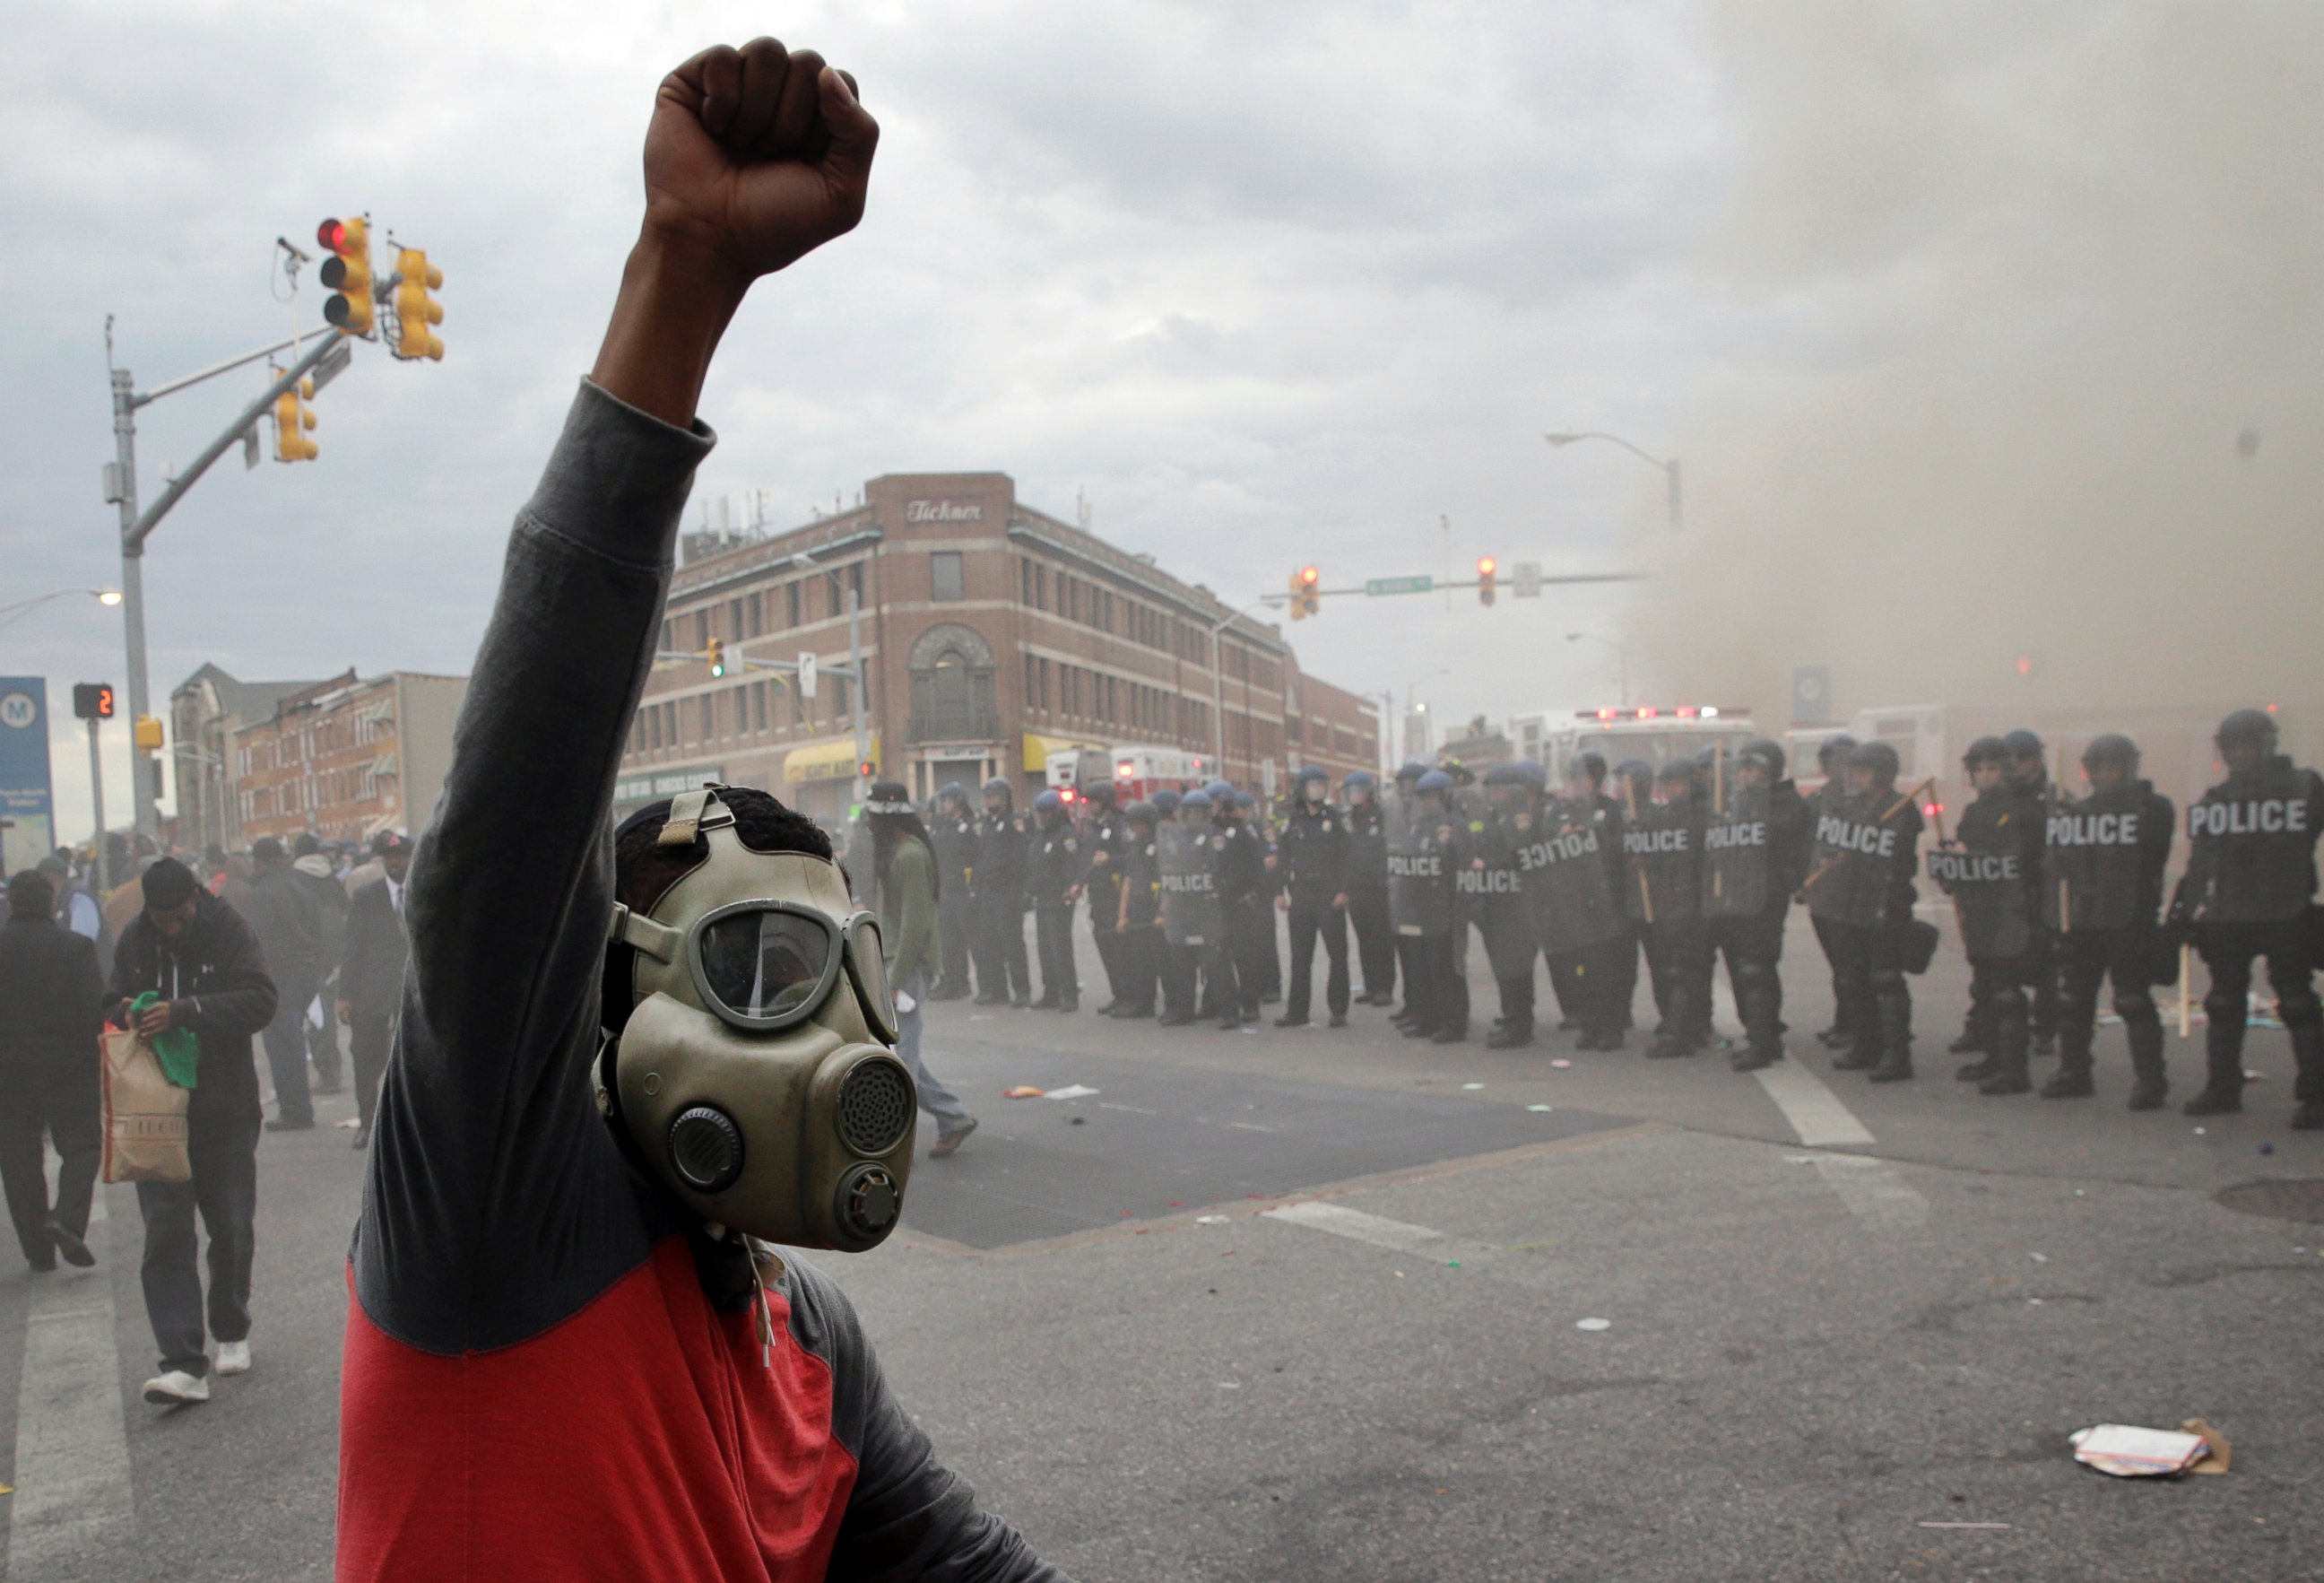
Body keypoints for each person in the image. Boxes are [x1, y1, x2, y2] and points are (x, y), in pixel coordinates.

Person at [335, 45, 1065, 1577]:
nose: (844, 1040)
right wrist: (683, 278)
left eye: (846, 971)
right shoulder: (492, 1217)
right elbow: (509, 823)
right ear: (595, 1026)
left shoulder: (805, 1339)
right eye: (757, 973)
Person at [109, 856, 276, 1405]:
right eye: (161, 920)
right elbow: (109, 998)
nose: (171, 928)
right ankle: (181, 1361)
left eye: (179, 917)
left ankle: (230, 1328)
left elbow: (260, 1001)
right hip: (157, 1112)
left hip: (223, 1108)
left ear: (196, 898)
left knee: (229, 1225)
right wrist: (129, 1011)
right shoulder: (136, 938)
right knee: (164, 1231)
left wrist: (187, 1011)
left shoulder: (230, 930)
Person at [2171, 708, 2324, 1126]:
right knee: (2222, 1003)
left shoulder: (2303, 787)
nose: (2241, 753)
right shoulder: (2218, 800)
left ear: (2268, 745)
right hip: (2231, 914)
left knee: (2296, 1003)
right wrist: (2185, 908)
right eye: (2233, 745)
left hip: (2284, 910)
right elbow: (2201, 863)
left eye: (2249, 744)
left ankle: (2316, 1095)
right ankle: (2222, 1087)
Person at [2044, 733, 2175, 1106]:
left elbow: (2151, 853)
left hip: (2128, 919)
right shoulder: (2078, 813)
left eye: (2115, 767)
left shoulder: (2152, 809)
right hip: (2085, 919)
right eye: (2099, 769)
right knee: (2073, 999)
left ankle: (2151, 1081)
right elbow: (2061, 867)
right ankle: (2073, 1071)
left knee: (2132, 1001)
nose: (2107, 776)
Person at [864, 781, 978, 1157]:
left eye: (872, 815)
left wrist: (896, 981)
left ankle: (894, 1145)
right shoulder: (896, 852)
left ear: (886, 818)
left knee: (901, 1063)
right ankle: (953, 1117)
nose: (867, 821)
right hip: (896, 963)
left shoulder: (910, 856)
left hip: (906, 968)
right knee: (904, 1054)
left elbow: (916, 923)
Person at [0, 869, 104, 1274]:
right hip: (69, 1068)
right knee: (82, 1147)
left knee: (18, 1158)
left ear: (11, 905)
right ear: (50, 904)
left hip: (8, 1074)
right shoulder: (74, 948)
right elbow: (93, 1011)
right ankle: (67, 1220)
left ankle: (38, 1252)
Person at [1807, 740, 1925, 1083]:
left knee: (1885, 980)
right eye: (1853, 772)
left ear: (1882, 774)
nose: (1856, 779)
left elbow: (1899, 859)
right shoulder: (1846, 807)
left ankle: (1896, 1054)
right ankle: (1865, 1045)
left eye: (1863, 772)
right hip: (1849, 903)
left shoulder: (1900, 809)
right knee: (1853, 978)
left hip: (1885, 905)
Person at [1934, 737, 2041, 1096]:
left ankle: (2014, 1070)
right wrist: (1951, 867)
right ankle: (1994, 1058)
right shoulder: (1974, 812)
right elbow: (1969, 854)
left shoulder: (2027, 812)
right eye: (1978, 769)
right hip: (1980, 908)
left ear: (2007, 770)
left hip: (2012, 910)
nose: (1985, 776)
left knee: (2007, 993)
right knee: (1986, 988)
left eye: (1992, 768)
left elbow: (2032, 866)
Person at [1703, 739, 1813, 1072]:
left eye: (1752, 769)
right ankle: (1758, 1032)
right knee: (1741, 967)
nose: (1744, 775)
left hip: (1764, 899)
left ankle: (1762, 1041)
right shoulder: (1737, 803)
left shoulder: (1786, 804)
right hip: (1735, 896)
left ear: (1770, 772)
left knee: (1755, 968)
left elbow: (1790, 848)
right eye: (1742, 769)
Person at [1626, 760, 1711, 1058]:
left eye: (1677, 784)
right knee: (1670, 971)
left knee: (1683, 973)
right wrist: (1644, 857)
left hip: (1693, 907)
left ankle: (1680, 1033)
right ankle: (1682, 1026)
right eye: (1668, 784)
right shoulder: (1661, 818)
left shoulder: (1704, 818)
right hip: (1667, 905)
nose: (1672, 790)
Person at [240, 837, 324, 1131]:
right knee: (293, 1040)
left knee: (282, 1043)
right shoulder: (299, 886)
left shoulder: (261, 894)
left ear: (260, 861)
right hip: (304, 972)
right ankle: (299, 1106)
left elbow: (257, 942)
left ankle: (295, 1110)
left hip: (279, 976)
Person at [337, 832, 412, 1148]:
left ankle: (411, 1127)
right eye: (389, 857)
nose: (395, 862)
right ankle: (367, 1124)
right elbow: (353, 946)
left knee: (413, 1060)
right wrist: (345, 994)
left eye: (401, 856)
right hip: (372, 992)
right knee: (365, 1059)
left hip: (413, 992)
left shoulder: (425, 891)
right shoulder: (367, 896)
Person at [1391, 769, 1466, 1043]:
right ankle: (1427, 1018)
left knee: (1446, 969)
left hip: (1445, 906)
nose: (1425, 803)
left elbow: (1457, 861)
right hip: (1421, 907)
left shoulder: (1454, 824)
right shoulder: (1419, 826)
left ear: (1444, 797)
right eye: (1422, 798)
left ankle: (1453, 1023)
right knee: (1424, 968)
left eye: (1431, 798)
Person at [1468, 765, 1541, 1048]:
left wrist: (1488, 866)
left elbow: (1519, 856)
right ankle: (1514, 1015)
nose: (1492, 795)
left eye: (1497, 789)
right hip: (1496, 900)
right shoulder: (1495, 815)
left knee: (1514, 966)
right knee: (1504, 965)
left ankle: (1519, 1025)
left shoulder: (1518, 818)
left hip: (1514, 903)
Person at [1274, 766, 1351, 1028]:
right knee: (1300, 957)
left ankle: (1338, 1009)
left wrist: (1344, 890)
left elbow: (1348, 857)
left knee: (1337, 954)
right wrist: (1279, 892)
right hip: (1302, 895)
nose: (1319, 790)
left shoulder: (1336, 819)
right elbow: (1282, 857)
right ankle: (1297, 1012)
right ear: (1303, 789)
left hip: (1329, 894)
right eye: (1314, 785)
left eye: (1322, 785)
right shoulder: (1292, 821)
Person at [2002, 728, 2061, 1055]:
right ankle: (1993, 1027)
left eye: (2023, 759)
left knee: (2045, 967)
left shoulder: (2052, 800)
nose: (2016, 767)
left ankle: (2044, 1029)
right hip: (2007, 894)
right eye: (2010, 760)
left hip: (2041, 892)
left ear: (2037, 760)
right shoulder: (1998, 800)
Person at [1805, 734, 1860, 1049]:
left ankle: (1852, 1024)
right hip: (1822, 892)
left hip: (1851, 893)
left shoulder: (1861, 802)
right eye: (1832, 763)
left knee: (1849, 966)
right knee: (1839, 965)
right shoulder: (1816, 802)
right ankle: (1845, 1022)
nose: (1837, 769)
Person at [1156, 788, 1222, 1026]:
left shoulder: (1215, 836)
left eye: (1200, 813)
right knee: (1181, 963)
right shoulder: (1175, 837)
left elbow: (1217, 869)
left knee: (1213, 963)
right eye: (1190, 812)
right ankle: (1183, 1010)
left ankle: (1213, 1005)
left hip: (1205, 906)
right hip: (1181, 906)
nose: (1195, 817)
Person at [970, 777, 1032, 1006]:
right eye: (986, 796)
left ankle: (1022, 991)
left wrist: (1018, 891)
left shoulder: (1013, 822)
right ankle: (998, 990)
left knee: (1012, 943)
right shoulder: (987, 823)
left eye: (993, 796)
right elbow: (980, 858)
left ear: (1005, 798)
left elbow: (1020, 859)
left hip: (1007, 890)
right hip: (987, 890)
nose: (988, 801)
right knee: (989, 941)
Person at [1212, 788, 1267, 1028]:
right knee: (1219, 957)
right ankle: (1228, 1009)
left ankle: (1251, 1005)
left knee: (1244, 956)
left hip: (1240, 901)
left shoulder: (1244, 832)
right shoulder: (1211, 830)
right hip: (1217, 902)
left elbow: (1256, 866)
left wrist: (1253, 893)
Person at [1340, 770, 1395, 1005]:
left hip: (1377, 887)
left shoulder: (1380, 816)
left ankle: (1384, 987)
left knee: (1382, 937)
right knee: (1364, 938)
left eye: (1358, 791)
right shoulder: (1348, 819)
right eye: (1350, 792)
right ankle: (1371, 985)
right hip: (1356, 888)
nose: (1354, 796)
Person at [1075, 779, 1130, 1013]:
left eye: (1094, 801)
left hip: (1116, 895)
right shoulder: (1093, 828)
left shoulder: (1120, 824)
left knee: (1121, 950)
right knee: (1105, 947)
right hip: (1097, 894)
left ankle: (1130, 996)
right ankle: (1118, 993)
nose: (1089, 806)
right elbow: (1086, 859)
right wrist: (1079, 883)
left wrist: (1111, 860)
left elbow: (1132, 857)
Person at [1025, 789, 1080, 1011]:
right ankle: (1051, 992)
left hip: (1059, 899)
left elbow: (1071, 865)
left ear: (1057, 813)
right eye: (1040, 813)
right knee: (1045, 949)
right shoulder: (1040, 836)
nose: (1043, 817)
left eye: (1047, 813)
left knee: (1060, 949)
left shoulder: (1066, 835)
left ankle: (1069, 994)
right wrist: (1029, 891)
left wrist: (1068, 889)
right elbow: (1035, 866)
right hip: (1043, 898)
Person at [1110, 799, 1163, 1018]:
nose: (1135, 828)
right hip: (1137, 909)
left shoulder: (1160, 846)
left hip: (1154, 909)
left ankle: (1170, 1004)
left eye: (1140, 824)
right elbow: (1128, 882)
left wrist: (1162, 912)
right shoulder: (1133, 847)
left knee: (1161, 961)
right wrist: (1122, 916)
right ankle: (1143, 1003)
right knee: (1139, 960)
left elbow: (1166, 881)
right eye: (1133, 824)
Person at [926, 782, 978, 999]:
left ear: (957, 802)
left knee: (967, 937)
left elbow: (975, 858)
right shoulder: (942, 825)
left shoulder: (969, 826)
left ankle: (963, 982)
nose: (944, 805)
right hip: (945, 888)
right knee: (947, 939)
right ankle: (950, 981)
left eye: (947, 801)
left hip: (962, 888)